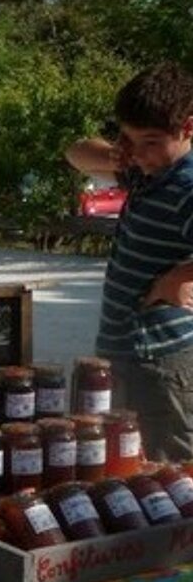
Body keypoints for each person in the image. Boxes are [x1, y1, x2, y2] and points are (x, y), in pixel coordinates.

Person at [65, 61, 193, 461]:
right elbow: (75, 152)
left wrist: (181, 278)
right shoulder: (146, 171)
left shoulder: (187, 184)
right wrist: (120, 154)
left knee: (170, 471)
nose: (140, 152)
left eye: (151, 141)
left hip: (161, 362)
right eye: (130, 139)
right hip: (123, 352)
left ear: (187, 128)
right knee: (117, 464)